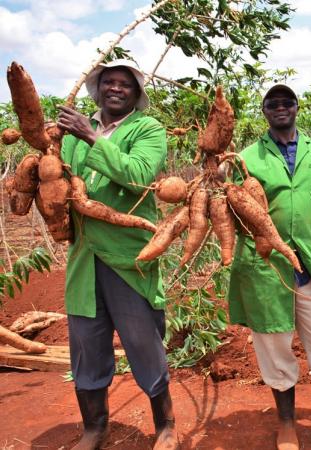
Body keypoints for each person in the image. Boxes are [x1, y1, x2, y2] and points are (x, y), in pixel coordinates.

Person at [227, 84, 311, 450]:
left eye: (287, 102)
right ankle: (287, 423)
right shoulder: (245, 158)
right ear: (264, 111)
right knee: (274, 346)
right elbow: (230, 211)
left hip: (309, 267)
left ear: (296, 107)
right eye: (272, 104)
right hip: (265, 268)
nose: (280, 108)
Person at [56, 59, 178, 450]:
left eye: (125, 84)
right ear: (97, 89)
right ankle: (95, 427)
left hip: (128, 257)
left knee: (143, 343)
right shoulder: (74, 132)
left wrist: (91, 138)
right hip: (83, 257)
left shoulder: (148, 129)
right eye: (108, 82)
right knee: (87, 345)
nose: (115, 88)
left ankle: (166, 425)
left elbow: (140, 175)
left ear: (136, 93)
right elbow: (60, 177)